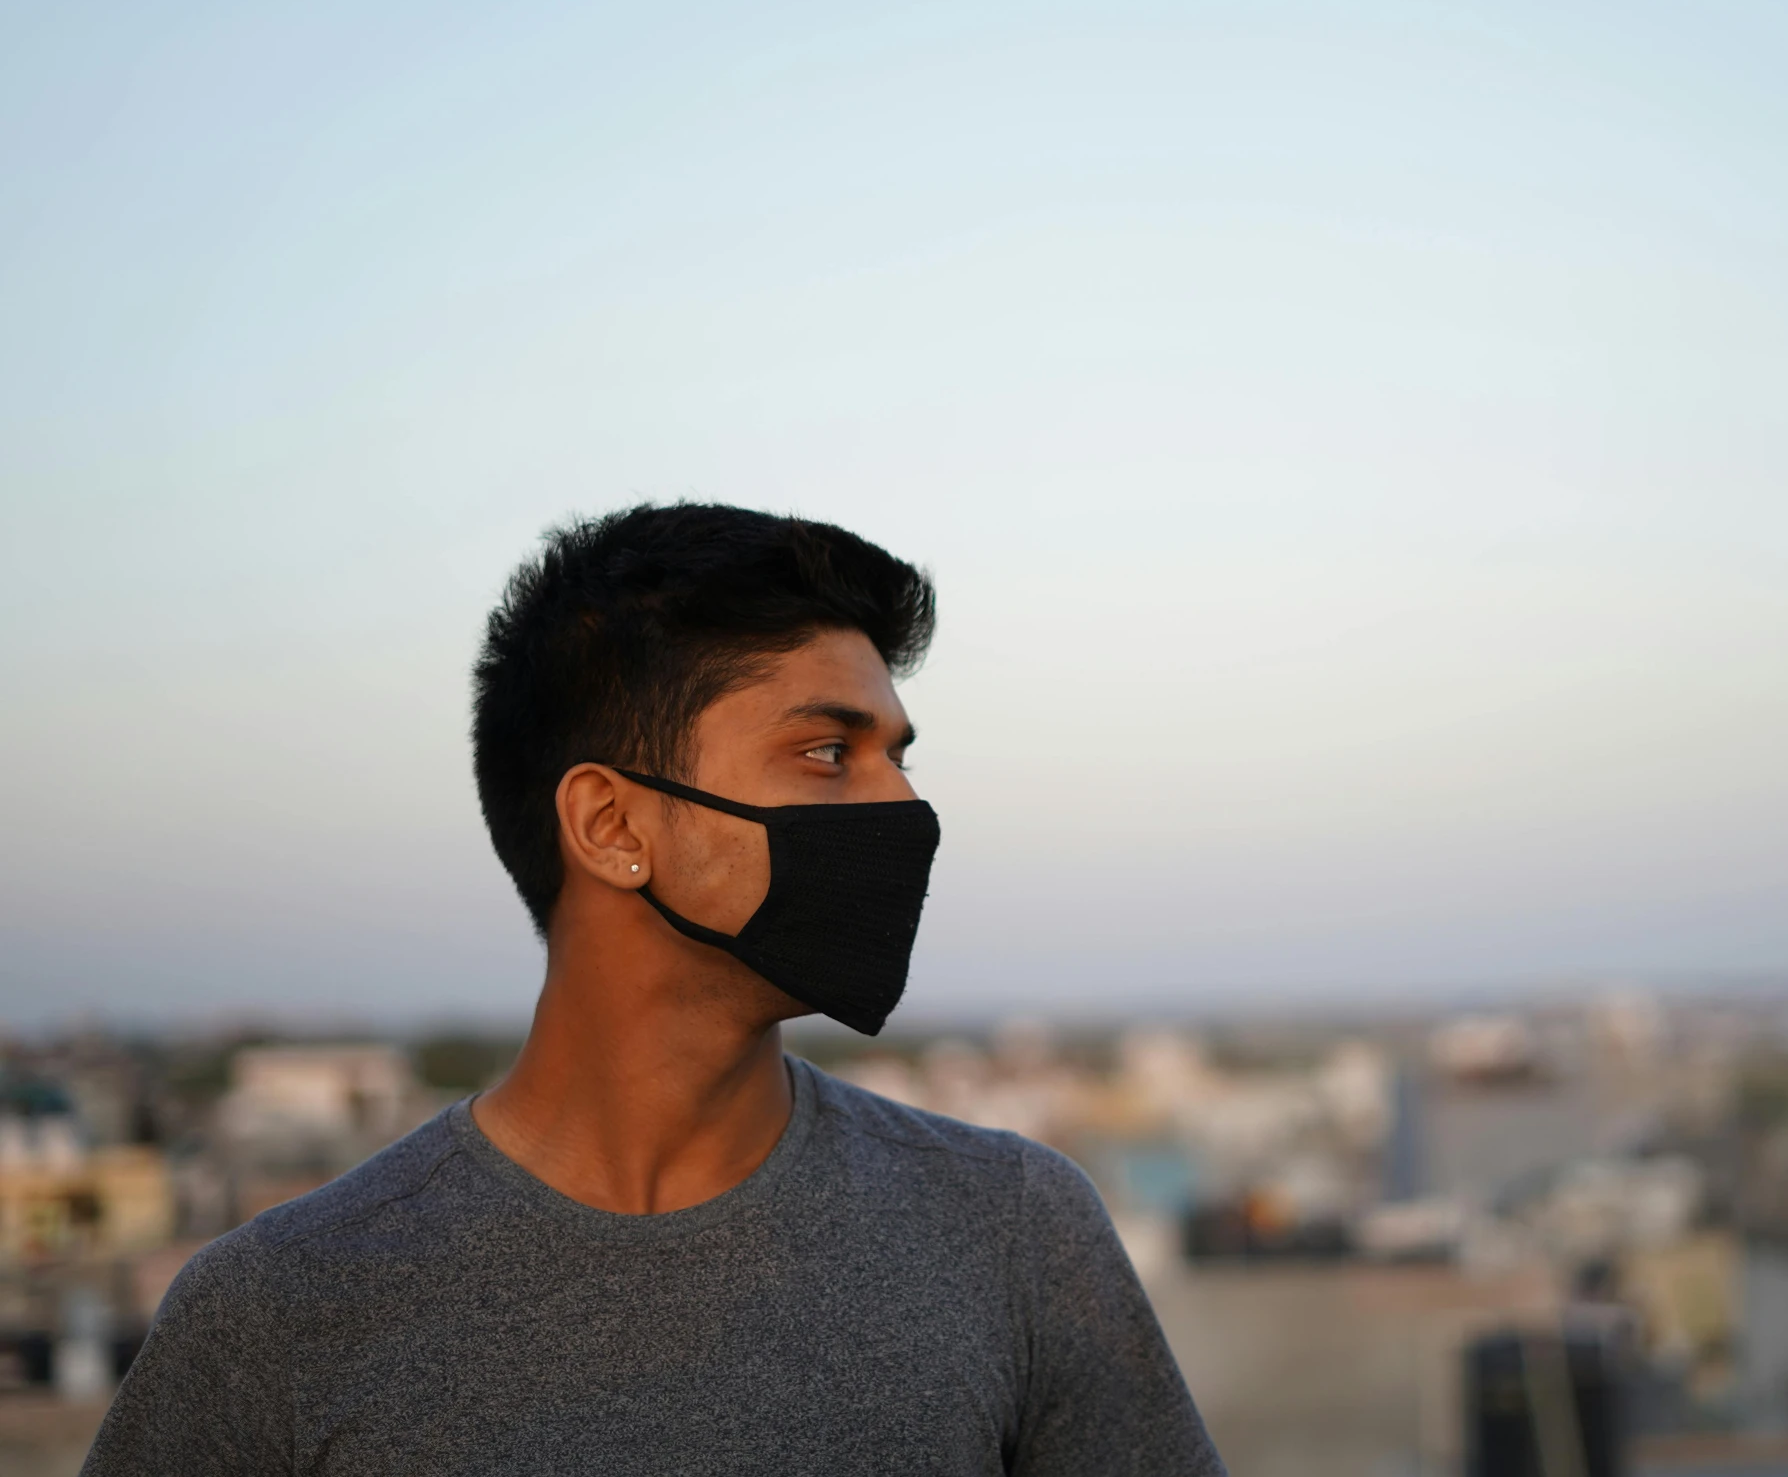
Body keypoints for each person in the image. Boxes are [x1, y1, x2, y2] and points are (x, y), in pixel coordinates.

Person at [83, 503, 1225, 1476]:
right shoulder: (279, 1312)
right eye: (829, 753)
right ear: (612, 823)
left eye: (898, 753)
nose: (900, 809)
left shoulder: (1014, 1230)